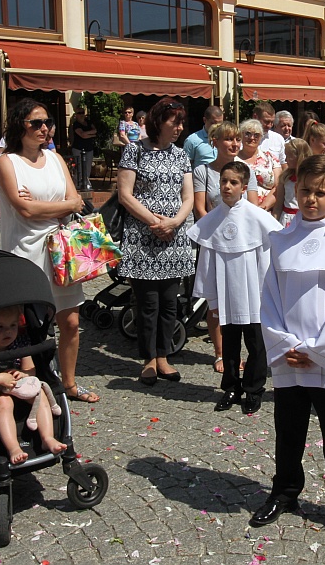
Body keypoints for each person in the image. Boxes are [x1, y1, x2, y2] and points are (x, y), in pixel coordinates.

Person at [251, 155, 325, 546]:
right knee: (289, 430)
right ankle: (285, 491)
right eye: (305, 191)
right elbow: (269, 299)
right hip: (290, 355)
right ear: (294, 192)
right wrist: (285, 344)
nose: (312, 199)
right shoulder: (282, 239)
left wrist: (318, 351)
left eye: (321, 193)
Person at [0, 99, 92, 403]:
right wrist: (55, 206)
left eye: (47, 122)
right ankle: (36, 384)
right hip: (25, 250)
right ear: (18, 126)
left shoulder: (56, 159)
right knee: (31, 325)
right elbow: (24, 210)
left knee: (71, 321)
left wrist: (45, 207)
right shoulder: (7, 162)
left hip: (61, 250)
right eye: (35, 123)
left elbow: (76, 201)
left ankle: (70, 383)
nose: (43, 128)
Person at [189, 161, 281, 414]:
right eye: (223, 181)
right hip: (226, 290)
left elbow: (267, 256)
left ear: (244, 186)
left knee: (255, 343)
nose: (227, 186)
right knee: (229, 343)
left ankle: (253, 389)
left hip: (253, 290)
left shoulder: (258, 217)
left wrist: (268, 291)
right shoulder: (212, 220)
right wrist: (212, 298)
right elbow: (207, 261)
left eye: (233, 182)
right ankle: (230, 386)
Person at [116, 98, 195, 387]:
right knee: (147, 303)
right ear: (158, 121)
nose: (179, 127)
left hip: (174, 237)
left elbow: (188, 196)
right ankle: (148, 359)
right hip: (143, 238)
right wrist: (154, 221)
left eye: (181, 122)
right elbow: (125, 195)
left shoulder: (181, 155)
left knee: (169, 302)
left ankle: (164, 356)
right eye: (175, 121)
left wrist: (174, 222)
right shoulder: (134, 151)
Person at [192, 122, 259, 374]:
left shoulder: (245, 170)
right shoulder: (203, 171)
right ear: (215, 141)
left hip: (241, 243)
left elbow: (251, 208)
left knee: (244, 296)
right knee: (216, 299)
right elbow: (201, 208)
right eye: (229, 139)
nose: (234, 144)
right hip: (214, 239)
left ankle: (248, 353)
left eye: (237, 140)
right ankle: (220, 353)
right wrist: (213, 233)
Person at [0, 305, 67, 464]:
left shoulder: (20, 344)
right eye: (0, 327)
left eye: (13, 326)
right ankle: (13, 448)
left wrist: (24, 374)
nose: (8, 332)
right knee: (3, 403)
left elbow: (30, 370)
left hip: (18, 387)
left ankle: (48, 437)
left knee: (40, 394)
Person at [239, 118, 281, 212]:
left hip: (267, 211)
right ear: (241, 135)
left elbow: (279, 186)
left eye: (256, 135)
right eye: (247, 134)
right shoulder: (233, 159)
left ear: (261, 137)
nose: (252, 138)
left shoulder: (270, 158)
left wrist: (262, 208)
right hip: (241, 210)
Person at [272, 140, 313, 228]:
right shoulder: (285, 177)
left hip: (305, 219)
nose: (286, 159)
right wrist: (274, 224)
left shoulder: (311, 178)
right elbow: (278, 205)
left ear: (299, 156)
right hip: (287, 219)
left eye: (289, 156)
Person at [69, 105, 98, 191]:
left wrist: (87, 133)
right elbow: (82, 135)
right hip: (78, 148)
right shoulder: (76, 124)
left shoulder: (88, 122)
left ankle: (86, 183)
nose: (81, 114)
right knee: (79, 167)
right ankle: (78, 184)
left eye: (82, 112)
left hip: (89, 149)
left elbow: (95, 131)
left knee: (88, 167)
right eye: (79, 113)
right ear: (76, 115)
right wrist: (91, 134)